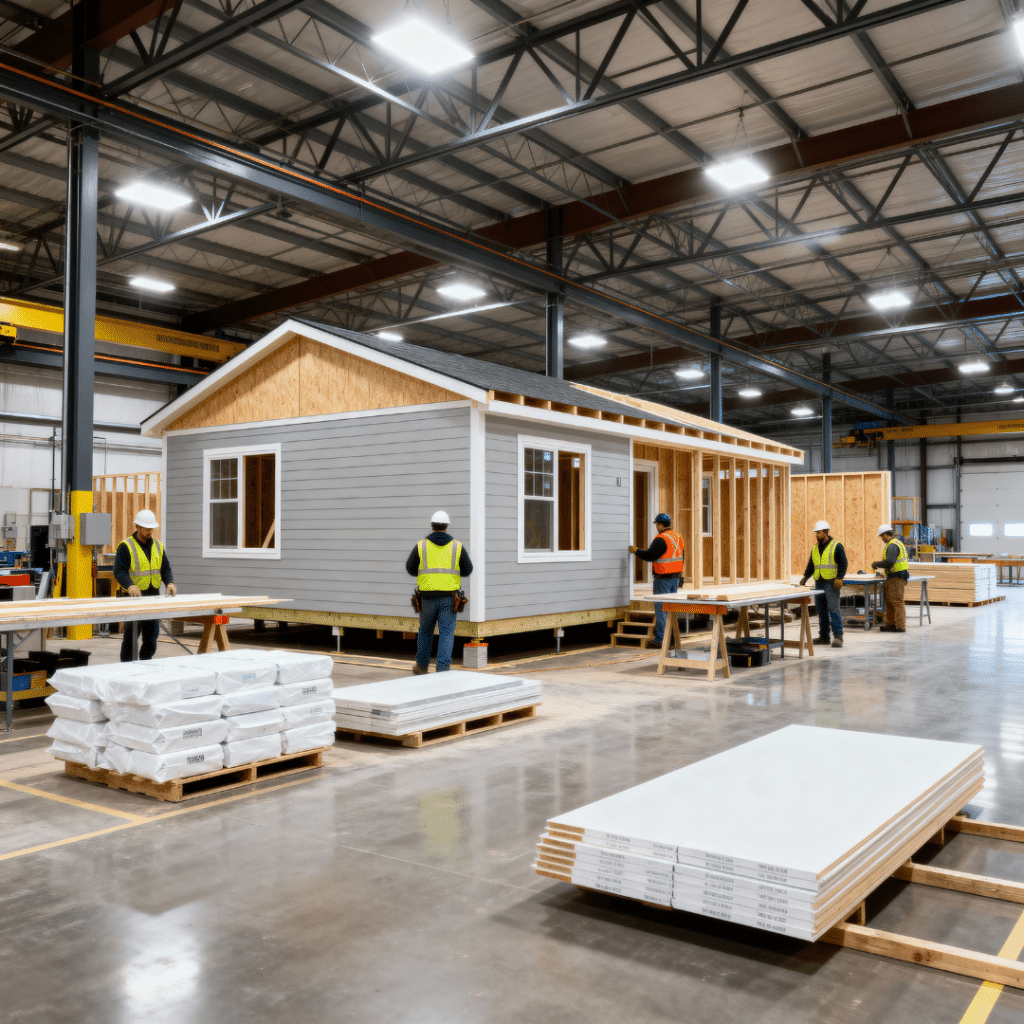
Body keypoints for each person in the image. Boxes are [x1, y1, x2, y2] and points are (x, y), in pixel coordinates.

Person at [406, 511, 473, 674]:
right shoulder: (457, 546)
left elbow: (410, 568)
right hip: (449, 598)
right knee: (446, 633)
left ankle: (421, 667)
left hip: (427, 598)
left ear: (432, 525)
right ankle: (442, 669)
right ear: (447, 526)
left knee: (425, 632)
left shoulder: (421, 546)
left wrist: (425, 574)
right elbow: (468, 570)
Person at [114, 508, 176, 662]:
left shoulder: (158, 545)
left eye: (151, 529)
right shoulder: (126, 546)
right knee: (131, 636)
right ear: (138, 527)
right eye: (147, 529)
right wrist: (129, 585)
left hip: (153, 596)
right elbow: (119, 571)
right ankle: (127, 665)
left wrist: (169, 583)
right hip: (134, 597)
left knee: (151, 636)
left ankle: (146, 660)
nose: (150, 532)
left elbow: (165, 568)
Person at [629, 512, 685, 648]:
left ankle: (660, 640)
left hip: (663, 579)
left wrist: (636, 550)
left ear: (660, 524)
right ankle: (671, 639)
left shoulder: (661, 539)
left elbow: (649, 555)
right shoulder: (678, 538)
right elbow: (682, 558)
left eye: (657, 524)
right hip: (675, 578)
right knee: (671, 609)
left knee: (661, 609)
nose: (656, 527)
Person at [797, 520, 846, 648]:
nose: (816, 535)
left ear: (825, 532)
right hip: (819, 582)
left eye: (818, 533)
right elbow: (811, 565)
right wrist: (805, 578)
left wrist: (840, 577)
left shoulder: (836, 546)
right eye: (816, 533)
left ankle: (838, 636)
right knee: (821, 610)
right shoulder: (815, 549)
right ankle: (824, 637)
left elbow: (843, 563)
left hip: (831, 583)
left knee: (833, 609)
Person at [872, 524, 910, 633]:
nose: (882, 539)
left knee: (897, 601)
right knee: (889, 601)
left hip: (897, 577)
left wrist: (877, 564)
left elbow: (890, 561)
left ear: (885, 535)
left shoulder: (892, 545)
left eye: (881, 536)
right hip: (893, 576)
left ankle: (900, 625)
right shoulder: (895, 543)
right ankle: (890, 623)